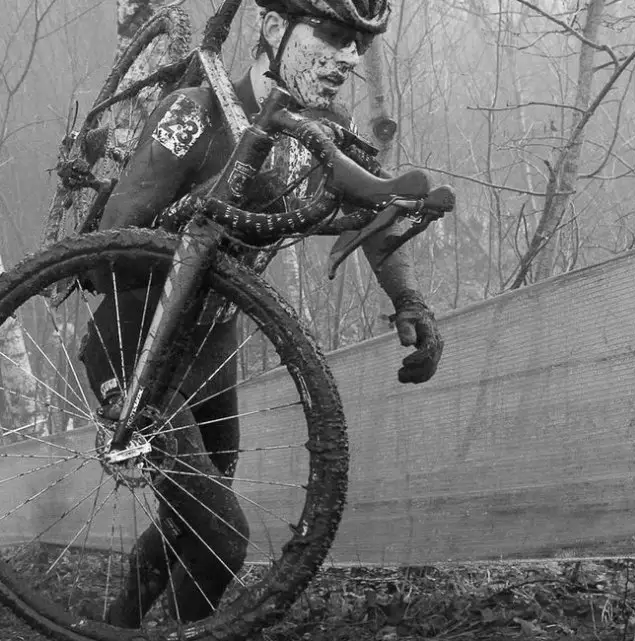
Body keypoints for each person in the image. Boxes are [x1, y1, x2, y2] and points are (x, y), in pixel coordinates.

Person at [78, 0, 444, 628]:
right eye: (332, 36)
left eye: (358, 43)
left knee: (187, 522)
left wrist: (409, 301)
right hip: (135, 339)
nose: (350, 57)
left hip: (212, 345)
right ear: (273, 28)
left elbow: (378, 216)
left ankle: (116, 627)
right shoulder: (192, 115)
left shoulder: (319, 130)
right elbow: (112, 244)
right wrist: (210, 212)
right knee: (224, 538)